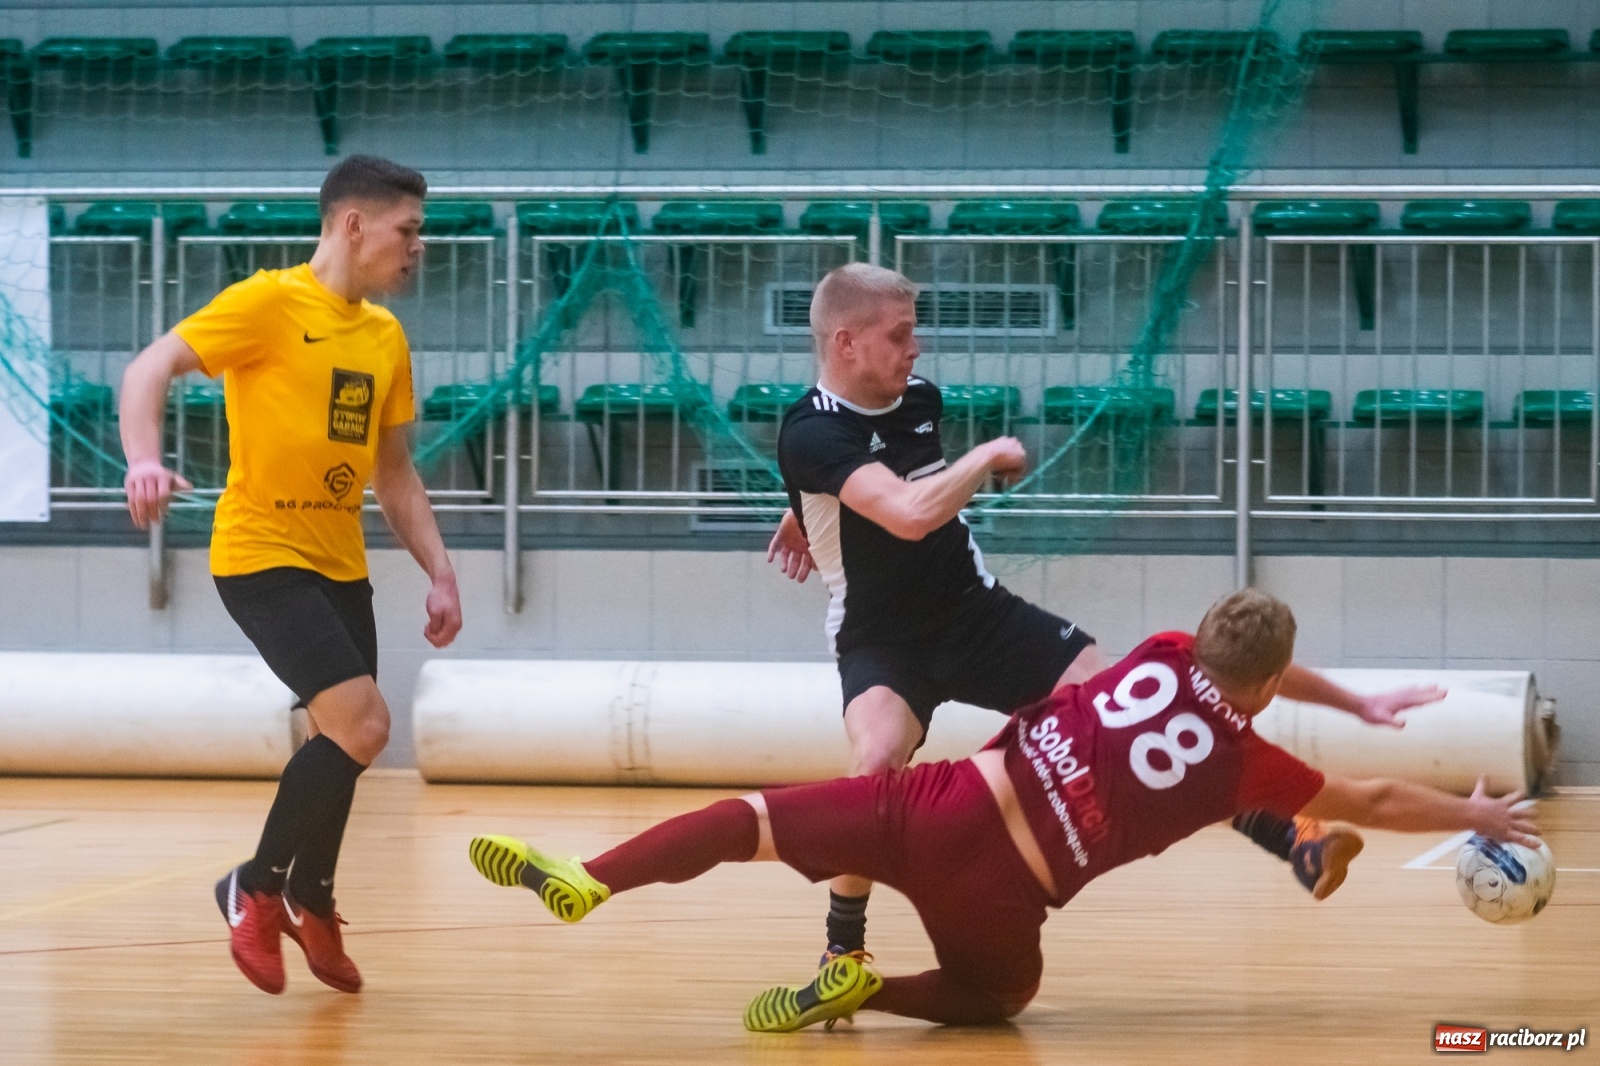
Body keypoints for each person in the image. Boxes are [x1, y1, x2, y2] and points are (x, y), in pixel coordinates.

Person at [466, 589, 1537, 1032]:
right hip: (1004, 885)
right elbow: (1374, 793)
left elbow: (1251, 663)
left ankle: (589, 877)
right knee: (998, 997)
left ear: (1205, 637)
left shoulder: (1166, 647)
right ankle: (866, 985)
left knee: (747, 818)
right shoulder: (1244, 767)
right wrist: (1473, 813)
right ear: (1268, 685)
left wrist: (1343, 691)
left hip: (938, 799)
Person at [764, 263, 1428, 966]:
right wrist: (984, 456)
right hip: (883, 640)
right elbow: (903, 512)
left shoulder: (917, 397)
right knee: (873, 764)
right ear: (846, 344)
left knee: (1133, 714)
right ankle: (843, 952)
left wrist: (806, 506)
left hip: (976, 615)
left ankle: (1294, 839)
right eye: (899, 335)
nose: (916, 347)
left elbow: (883, 471)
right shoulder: (809, 432)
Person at [119, 155, 462, 995]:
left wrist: (441, 570)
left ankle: (313, 898)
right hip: (260, 553)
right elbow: (148, 367)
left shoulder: (384, 337)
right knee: (367, 724)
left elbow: (394, 473)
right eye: (407, 231)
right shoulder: (269, 303)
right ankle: (257, 885)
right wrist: (144, 461)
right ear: (354, 225)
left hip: (339, 562)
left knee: (338, 741)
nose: (418, 248)